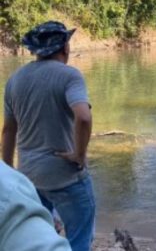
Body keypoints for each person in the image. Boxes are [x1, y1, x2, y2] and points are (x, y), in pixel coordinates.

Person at [2, 21, 95, 251]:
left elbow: (8, 130)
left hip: (29, 177)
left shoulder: (14, 80)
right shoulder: (69, 76)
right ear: (65, 48)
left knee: (37, 233)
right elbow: (83, 117)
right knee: (80, 238)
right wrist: (79, 155)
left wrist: (9, 174)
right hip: (65, 175)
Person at [0, 160, 71, 250]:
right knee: (79, 235)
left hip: (30, 172)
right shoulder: (8, 195)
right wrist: (79, 155)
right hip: (60, 176)